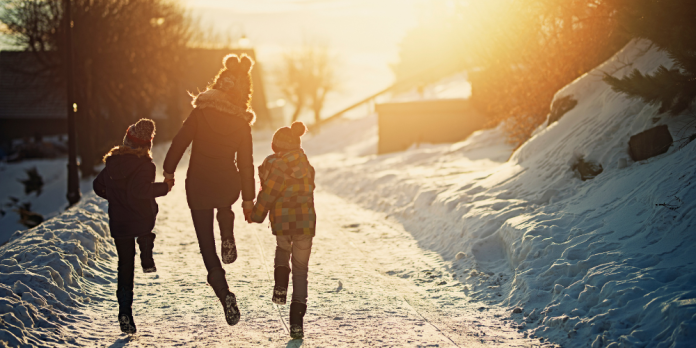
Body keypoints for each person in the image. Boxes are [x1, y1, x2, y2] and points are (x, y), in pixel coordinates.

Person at [162, 54, 256, 326]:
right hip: (228, 183)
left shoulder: (200, 112)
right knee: (225, 205)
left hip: (199, 184)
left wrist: (168, 172)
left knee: (206, 244)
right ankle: (227, 229)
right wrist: (248, 200)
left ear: (218, 84)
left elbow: (179, 142)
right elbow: (247, 164)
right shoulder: (241, 123)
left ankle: (224, 292)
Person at [93, 119, 173, 334]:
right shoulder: (145, 165)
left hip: (119, 221)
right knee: (147, 219)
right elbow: (140, 191)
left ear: (126, 140)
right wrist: (164, 188)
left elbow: (98, 186)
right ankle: (146, 250)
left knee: (125, 265)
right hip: (140, 218)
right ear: (147, 145)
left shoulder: (112, 163)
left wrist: (114, 198)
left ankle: (124, 313)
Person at [249, 121, 316, 339]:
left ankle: (280, 284)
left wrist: (256, 215)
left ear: (276, 146)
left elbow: (269, 193)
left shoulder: (276, 165)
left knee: (282, 249)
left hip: (284, 223)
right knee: (301, 270)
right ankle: (297, 322)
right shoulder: (307, 166)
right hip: (305, 224)